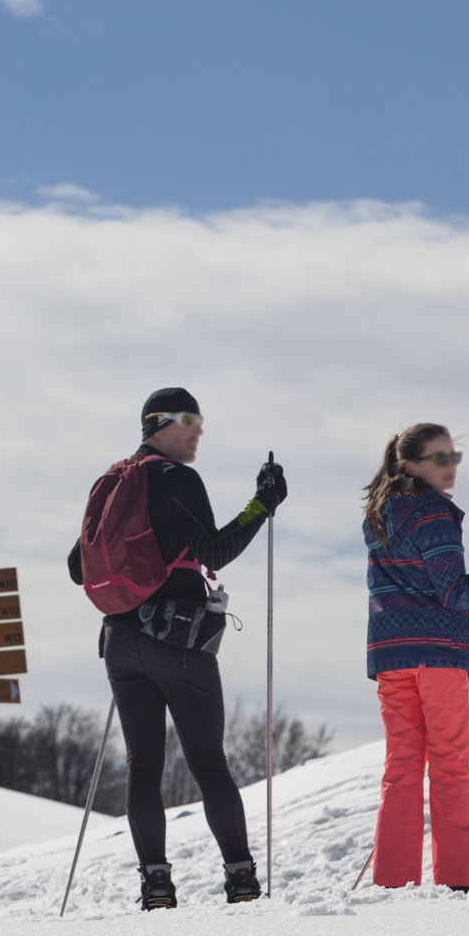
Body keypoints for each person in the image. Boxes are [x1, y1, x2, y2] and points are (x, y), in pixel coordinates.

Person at [68, 387, 287, 909]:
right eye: (189, 420)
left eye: (200, 420)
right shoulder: (177, 479)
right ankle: (241, 880)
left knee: (143, 762)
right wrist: (264, 502)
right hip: (178, 640)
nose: (198, 431)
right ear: (158, 424)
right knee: (208, 760)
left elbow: (78, 566)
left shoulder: (114, 480)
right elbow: (215, 550)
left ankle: (157, 885)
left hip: (121, 643)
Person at [361, 423, 469, 891]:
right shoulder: (434, 515)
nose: (450, 466)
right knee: (449, 762)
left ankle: (393, 882)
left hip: (390, 653)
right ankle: (459, 882)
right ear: (411, 466)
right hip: (438, 655)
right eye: (440, 458)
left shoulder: (379, 516)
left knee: (401, 767)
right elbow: (455, 594)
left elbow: (427, 591)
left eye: (454, 456)